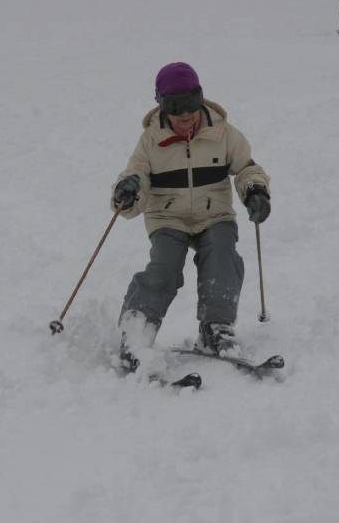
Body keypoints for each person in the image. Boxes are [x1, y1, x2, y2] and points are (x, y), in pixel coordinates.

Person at [111, 62, 271, 375]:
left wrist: (255, 190)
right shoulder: (150, 140)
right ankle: (136, 334)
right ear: (162, 105)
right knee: (164, 268)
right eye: (176, 107)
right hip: (167, 217)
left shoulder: (223, 133)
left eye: (192, 103)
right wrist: (127, 190)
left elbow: (247, 168)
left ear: (201, 98)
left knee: (222, 256)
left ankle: (215, 327)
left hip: (214, 215)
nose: (186, 115)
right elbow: (136, 174)